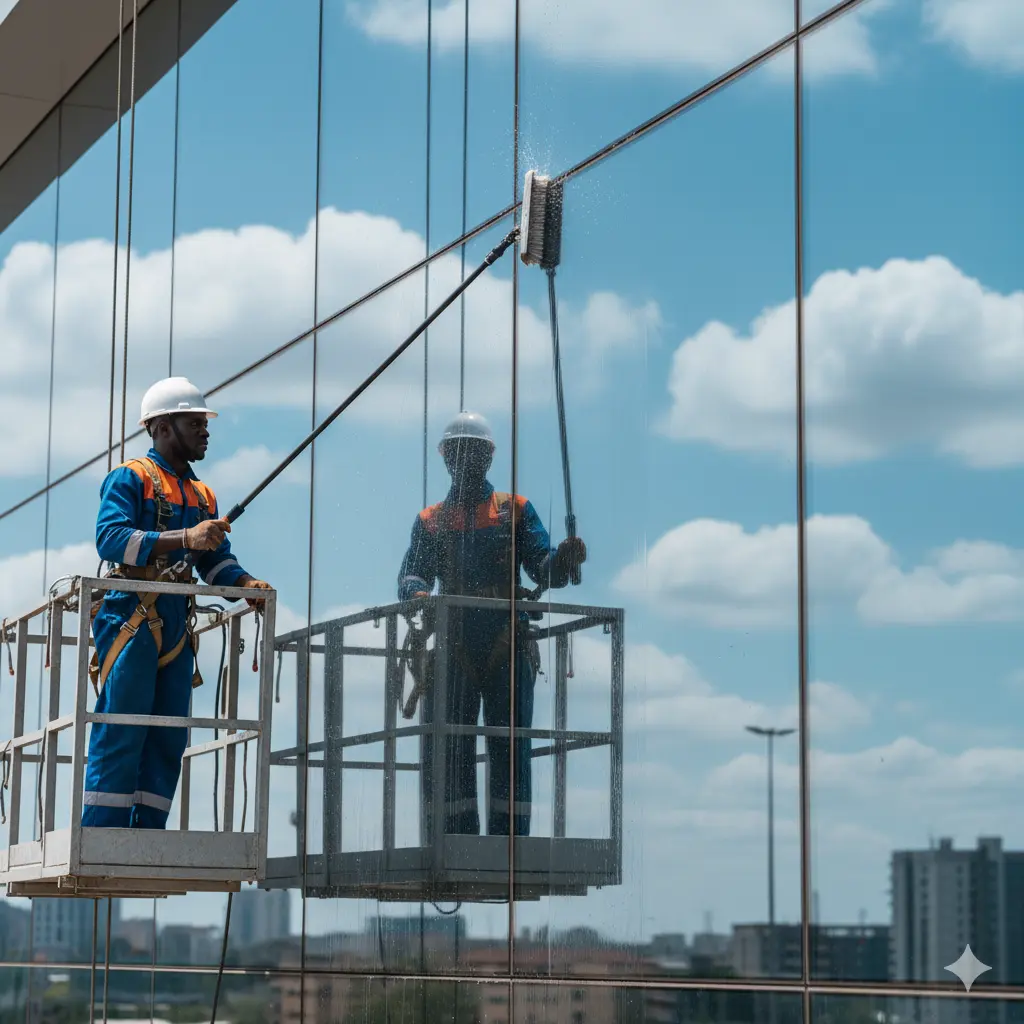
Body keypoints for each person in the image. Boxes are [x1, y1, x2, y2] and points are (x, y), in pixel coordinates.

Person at [82, 376, 272, 829]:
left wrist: (246, 584)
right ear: (163, 427)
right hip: (130, 612)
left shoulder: (203, 495)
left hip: (173, 621)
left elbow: (214, 562)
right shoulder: (131, 478)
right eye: (195, 422)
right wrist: (184, 536)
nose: (206, 431)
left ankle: (147, 833)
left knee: (170, 736)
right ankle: (102, 834)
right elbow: (110, 539)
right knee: (123, 726)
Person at [397, 411, 586, 838]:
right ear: (447, 457)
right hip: (455, 642)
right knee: (451, 745)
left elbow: (542, 567)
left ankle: (510, 842)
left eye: (475, 452)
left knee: (511, 743)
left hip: (507, 643)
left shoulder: (515, 511)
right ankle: (454, 837)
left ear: (489, 456)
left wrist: (563, 559)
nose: (466, 460)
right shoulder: (432, 520)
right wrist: (420, 596)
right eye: (460, 452)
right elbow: (411, 575)